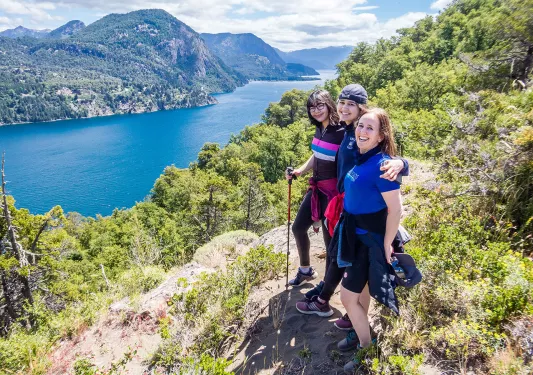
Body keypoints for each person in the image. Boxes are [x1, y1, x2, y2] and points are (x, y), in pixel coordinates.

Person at [296, 85, 408, 322]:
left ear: (361, 108)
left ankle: (331, 301)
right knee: (343, 253)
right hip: (343, 203)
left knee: (345, 254)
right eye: (342, 102)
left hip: (355, 205)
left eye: (351, 104)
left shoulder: (361, 132)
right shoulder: (347, 131)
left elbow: (381, 154)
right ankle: (330, 294)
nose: (345, 108)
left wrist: (402, 163)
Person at [337, 108, 403, 373]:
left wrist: (387, 243)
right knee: (361, 294)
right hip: (356, 236)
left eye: (369, 128)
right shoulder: (363, 157)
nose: (362, 131)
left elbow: (396, 210)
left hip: (369, 240)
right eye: (360, 126)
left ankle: (368, 346)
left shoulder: (382, 166)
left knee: (346, 298)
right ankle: (359, 331)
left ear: (380, 135)